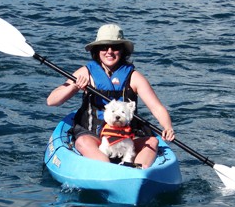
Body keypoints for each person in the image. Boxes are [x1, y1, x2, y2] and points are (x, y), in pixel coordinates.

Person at [46, 24, 175, 169]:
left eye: (115, 47)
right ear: (97, 50)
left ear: (122, 51)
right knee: (82, 142)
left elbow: (156, 107)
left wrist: (167, 127)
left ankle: (137, 172)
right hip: (93, 134)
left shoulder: (134, 77)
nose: (109, 52)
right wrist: (74, 86)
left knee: (152, 142)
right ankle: (110, 171)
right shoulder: (86, 72)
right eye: (104, 47)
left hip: (126, 137)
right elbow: (52, 101)